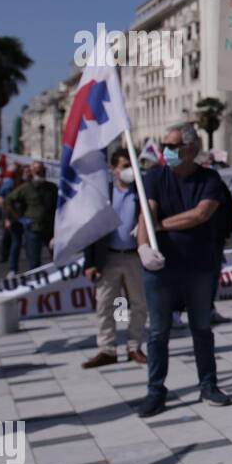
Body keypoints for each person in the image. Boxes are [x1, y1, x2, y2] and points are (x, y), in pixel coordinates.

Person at [134, 124, 232, 418]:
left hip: (199, 267)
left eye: (173, 145)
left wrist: (160, 226)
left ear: (191, 150)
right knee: (158, 332)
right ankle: (155, 390)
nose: (167, 150)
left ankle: (208, 384)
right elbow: (146, 213)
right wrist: (142, 245)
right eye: (166, 144)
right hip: (161, 268)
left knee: (202, 328)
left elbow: (200, 214)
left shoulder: (210, 179)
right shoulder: (154, 177)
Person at [81, 149, 148, 368]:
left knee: (138, 304)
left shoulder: (141, 193)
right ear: (113, 169)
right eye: (124, 166)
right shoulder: (104, 193)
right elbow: (92, 229)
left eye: (131, 165)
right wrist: (90, 262)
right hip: (108, 257)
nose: (128, 170)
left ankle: (134, 346)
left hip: (134, 257)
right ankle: (107, 349)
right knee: (105, 304)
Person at [8, 162, 57, 269]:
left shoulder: (52, 188)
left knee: (57, 258)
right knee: (34, 261)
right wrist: (19, 218)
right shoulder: (25, 188)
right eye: (38, 171)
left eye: (43, 171)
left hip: (50, 229)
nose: (41, 174)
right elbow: (8, 200)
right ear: (32, 172)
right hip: (33, 228)